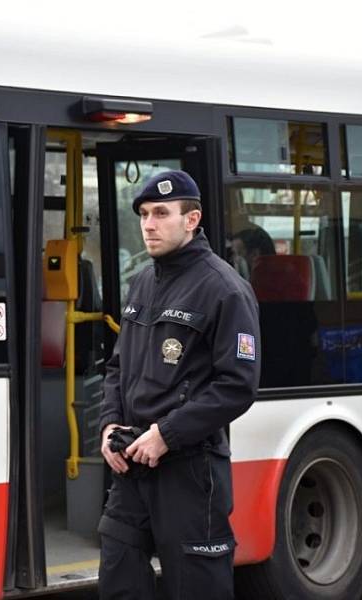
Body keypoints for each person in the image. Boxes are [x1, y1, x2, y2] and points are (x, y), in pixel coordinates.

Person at [97, 171, 260, 599]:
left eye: (161, 214)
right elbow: (117, 367)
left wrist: (167, 434)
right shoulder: (142, 282)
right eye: (145, 214)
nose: (149, 224)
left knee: (195, 589)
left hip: (189, 471)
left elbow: (237, 385)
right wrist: (109, 425)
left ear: (192, 220)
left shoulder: (224, 289)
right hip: (131, 466)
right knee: (118, 581)